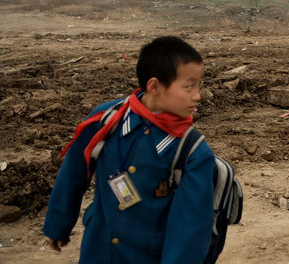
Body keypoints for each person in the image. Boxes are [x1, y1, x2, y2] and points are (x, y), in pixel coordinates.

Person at [43, 36, 215, 264]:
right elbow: (75, 171)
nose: (197, 95)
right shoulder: (106, 120)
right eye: (189, 86)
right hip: (98, 251)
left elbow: (190, 229)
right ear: (154, 86)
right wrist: (58, 223)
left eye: (198, 86)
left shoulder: (192, 152)